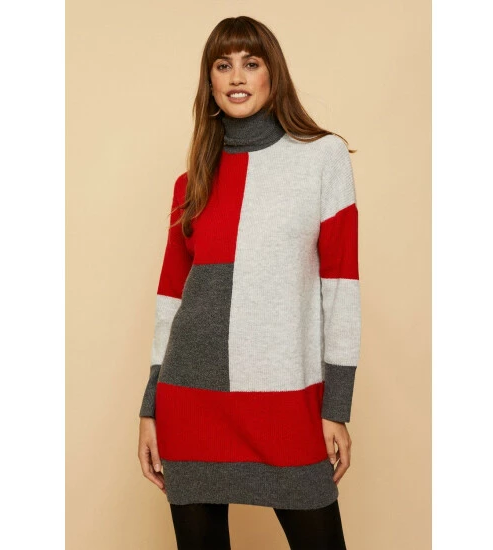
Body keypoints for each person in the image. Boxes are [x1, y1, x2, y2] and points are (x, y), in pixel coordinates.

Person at [137, 15, 361, 550]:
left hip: (285, 403)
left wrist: (336, 406)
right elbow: (171, 299)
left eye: (251, 62)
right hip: (190, 401)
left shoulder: (322, 158)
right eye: (223, 64)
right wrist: (150, 408)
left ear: (271, 74)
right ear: (210, 83)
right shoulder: (191, 182)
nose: (237, 76)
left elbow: (341, 288)